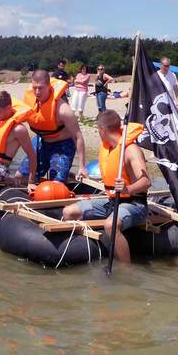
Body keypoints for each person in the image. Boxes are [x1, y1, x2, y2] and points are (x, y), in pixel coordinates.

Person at [62, 111, 150, 264]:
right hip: (111, 201)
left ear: (102, 129)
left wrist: (127, 189)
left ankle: (127, 269)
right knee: (68, 212)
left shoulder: (130, 150)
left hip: (134, 204)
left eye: (98, 130)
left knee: (110, 225)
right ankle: (88, 253)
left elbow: (146, 181)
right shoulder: (108, 147)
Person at [17, 69, 88, 183]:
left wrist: (82, 166)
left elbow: (78, 137)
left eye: (41, 88)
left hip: (62, 146)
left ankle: (64, 175)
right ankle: (64, 175)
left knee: (56, 183)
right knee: (20, 177)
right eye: (35, 88)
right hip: (42, 141)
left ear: (49, 86)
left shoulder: (63, 110)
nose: (37, 92)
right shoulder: (29, 101)